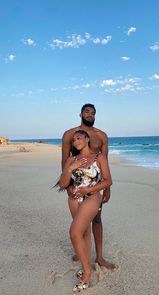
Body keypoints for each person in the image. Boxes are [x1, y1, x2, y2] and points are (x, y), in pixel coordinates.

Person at [61, 103, 116, 271]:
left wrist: (107, 188)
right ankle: (82, 250)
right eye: (87, 112)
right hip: (77, 183)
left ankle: (99, 257)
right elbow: (65, 160)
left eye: (93, 113)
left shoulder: (102, 136)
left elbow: (104, 162)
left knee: (97, 219)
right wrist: (68, 184)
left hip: (95, 185)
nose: (90, 115)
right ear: (80, 114)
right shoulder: (70, 134)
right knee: (79, 219)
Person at [59, 130, 112, 291]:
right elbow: (62, 184)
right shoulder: (71, 159)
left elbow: (108, 180)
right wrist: (70, 169)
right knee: (84, 233)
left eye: (79, 138)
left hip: (92, 196)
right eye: (73, 140)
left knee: (74, 232)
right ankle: (86, 265)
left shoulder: (98, 157)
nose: (75, 141)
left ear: (87, 139)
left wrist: (89, 190)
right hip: (74, 199)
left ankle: (87, 273)